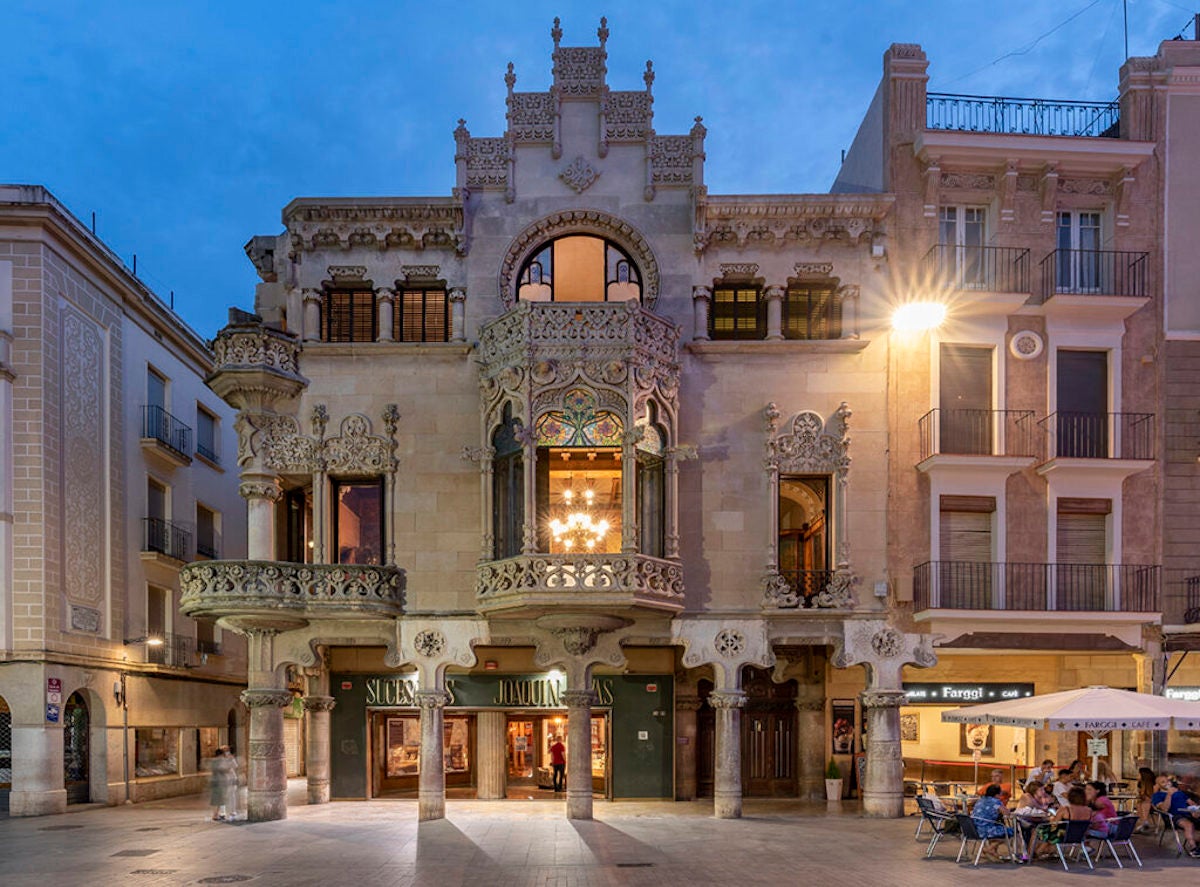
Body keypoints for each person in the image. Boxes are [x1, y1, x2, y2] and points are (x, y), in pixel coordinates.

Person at [1031, 785, 1093, 860]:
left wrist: (1051, 818)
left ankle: (1031, 853)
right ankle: (1040, 851)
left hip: (1062, 836)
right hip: (1079, 837)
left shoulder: (1065, 809)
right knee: (1049, 835)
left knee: (1037, 830)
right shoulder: (1089, 811)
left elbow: (1054, 824)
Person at [1152, 774, 1200, 857]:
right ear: (1158, 785)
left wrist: (1195, 811)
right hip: (1173, 816)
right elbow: (1164, 809)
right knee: (1189, 825)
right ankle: (1194, 848)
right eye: (1163, 782)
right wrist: (1169, 795)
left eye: (1168, 781)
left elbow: (1191, 803)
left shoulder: (1180, 792)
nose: (1167, 783)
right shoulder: (1157, 795)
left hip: (1188, 813)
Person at [971, 784, 1014, 860]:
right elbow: (1006, 813)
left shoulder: (981, 800)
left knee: (998, 828)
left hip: (974, 829)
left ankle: (993, 851)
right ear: (997, 794)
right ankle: (989, 849)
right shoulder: (995, 802)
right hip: (986, 830)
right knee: (1011, 832)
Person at [209, 746, 238, 821]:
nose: (225, 752)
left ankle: (232, 812)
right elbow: (221, 769)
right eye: (223, 750)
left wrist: (230, 759)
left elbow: (235, 766)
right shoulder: (219, 760)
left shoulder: (230, 758)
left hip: (230, 779)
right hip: (222, 781)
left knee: (231, 796)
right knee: (222, 796)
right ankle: (222, 813)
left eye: (226, 750)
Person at [1133, 767, 1156, 833]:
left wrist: (1143, 796)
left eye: (1139, 774)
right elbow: (1142, 795)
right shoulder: (1140, 784)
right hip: (1146, 803)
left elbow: (1153, 797)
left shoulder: (1154, 785)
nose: (1137, 776)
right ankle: (1143, 822)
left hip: (1154, 803)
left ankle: (1144, 822)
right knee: (1139, 803)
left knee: (1145, 802)